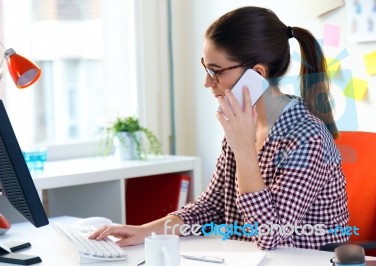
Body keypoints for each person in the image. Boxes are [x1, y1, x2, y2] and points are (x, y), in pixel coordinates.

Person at [89, 6, 349, 250]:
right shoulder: (241, 126)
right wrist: (146, 231)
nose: (207, 83)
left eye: (216, 71)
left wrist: (245, 151)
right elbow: (211, 206)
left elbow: (270, 234)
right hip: (249, 257)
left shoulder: (306, 136)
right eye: (206, 68)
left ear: (256, 75)